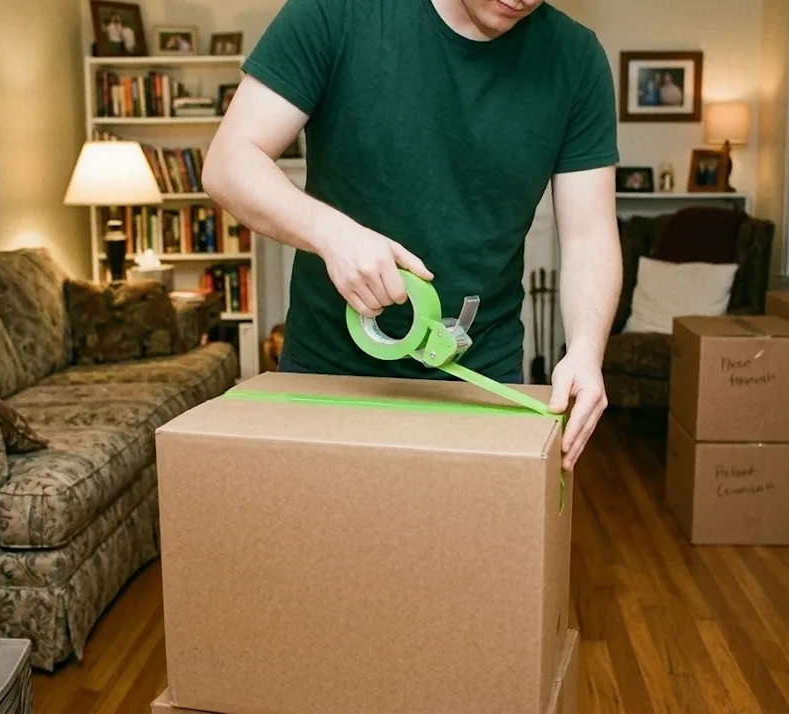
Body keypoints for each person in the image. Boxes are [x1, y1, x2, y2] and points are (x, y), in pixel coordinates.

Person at [201, 0, 622, 471]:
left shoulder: (578, 59)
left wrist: (586, 350)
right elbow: (229, 163)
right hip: (327, 374)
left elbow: (589, 235)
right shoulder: (334, 11)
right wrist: (332, 233)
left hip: (482, 383)